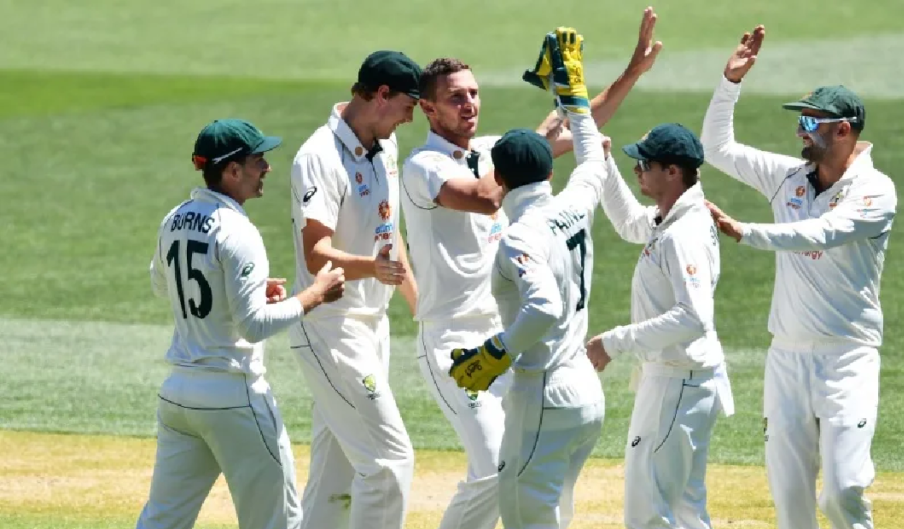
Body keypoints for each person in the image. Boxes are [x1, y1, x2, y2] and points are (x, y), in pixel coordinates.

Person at [399, 8, 663, 529]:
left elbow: (582, 134)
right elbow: (483, 198)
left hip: (509, 333)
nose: (470, 104)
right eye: (456, 97)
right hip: (453, 338)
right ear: (428, 108)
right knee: (492, 469)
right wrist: (528, 150)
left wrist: (627, 74)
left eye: (474, 93)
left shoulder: (491, 151)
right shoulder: (423, 166)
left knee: (520, 464)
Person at [700, 25, 897, 529]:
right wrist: (730, 82)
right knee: (790, 499)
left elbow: (824, 232)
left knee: (843, 489)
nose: (800, 131)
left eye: (811, 122)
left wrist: (746, 232)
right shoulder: (789, 177)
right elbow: (717, 148)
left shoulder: (876, 191)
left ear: (843, 130)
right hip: (786, 357)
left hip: (846, 357)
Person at [138, 118, 346, 529]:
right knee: (276, 522)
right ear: (233, 170)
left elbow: (163, 285)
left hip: (180, 396)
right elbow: (253, 326)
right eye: (258, 160)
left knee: (162, 521)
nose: (267, 168)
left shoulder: (174, 218)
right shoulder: (238, 230)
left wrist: (233, 289)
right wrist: (314, 295)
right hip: (233, 396)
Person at [447, 27, 609, 529]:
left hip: (544, 395)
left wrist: (496, 352)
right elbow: (592, 157)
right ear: (549, 173)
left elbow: (544, 307)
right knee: (553, 514)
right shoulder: (576, 203)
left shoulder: (519, 237)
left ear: (498, 179)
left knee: (525, 518)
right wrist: (575, 98)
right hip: (586, 394)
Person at [286, 50, 421, 529]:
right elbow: (316, 253)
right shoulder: (318, 157)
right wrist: (373, 268)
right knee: (389, 463)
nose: (411, 117)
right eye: (408, 105)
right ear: (381, 94)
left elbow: (389, 230)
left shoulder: (385, 145)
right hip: (332, 329)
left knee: (335, 476)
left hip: (372, 326)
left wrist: (420, 309)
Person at [585, 123, 735, 529]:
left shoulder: (682, 234)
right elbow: (628, 222)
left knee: (649, 509)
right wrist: (604, 163)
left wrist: (614, 342)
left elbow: (693, 316)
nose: (638, 170)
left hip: (677, 383)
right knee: (685, 509)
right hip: (683, 380)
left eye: (645, 164)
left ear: (672, 172)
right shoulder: (671, 217)